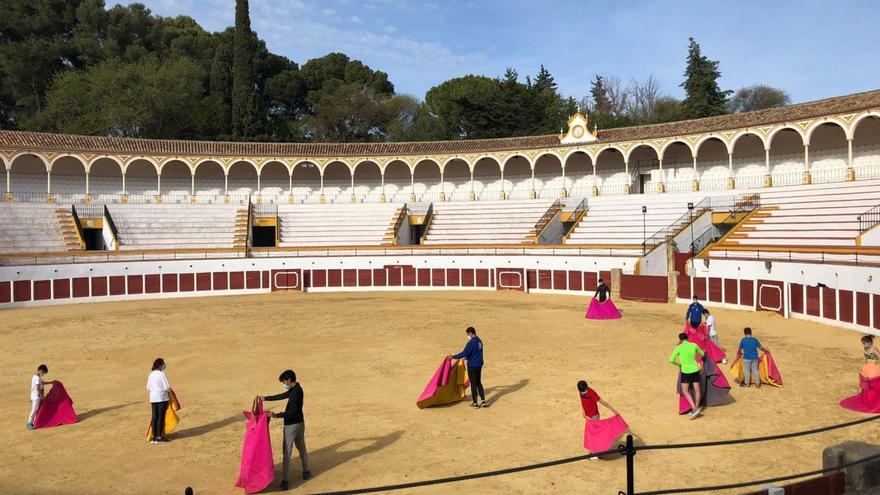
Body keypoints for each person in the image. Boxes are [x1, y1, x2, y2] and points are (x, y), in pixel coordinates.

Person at [259, 370, 311, 490]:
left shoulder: (296, 392)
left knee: (287, 453)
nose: (284, 383)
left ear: (288, 380)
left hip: (291, 426)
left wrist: (276, 415)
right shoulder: (296, 388)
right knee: (301, 447)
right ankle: (306, 471)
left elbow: (292, 412)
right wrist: (266, 398)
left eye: (284, 381)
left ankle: (285, 480)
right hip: (300, 424)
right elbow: (282, 395)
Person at [669, 333, 705, 419]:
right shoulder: (694, 345)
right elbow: (702, 354)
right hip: (695, 370)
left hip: (686, 371)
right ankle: (696, 408)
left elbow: (671, 360)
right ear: (687, 338)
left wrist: (679, 365)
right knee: (697, 390)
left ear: (680, 340)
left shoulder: (678, 348)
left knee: (685, 391)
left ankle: (694, 408)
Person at [451, 327, 486, 408]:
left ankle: (475, 403)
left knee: (473, 384)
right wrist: (466, 357)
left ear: (470, 333)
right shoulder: (479, 341)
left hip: (472, 366)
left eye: (467, 334)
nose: (467, 336)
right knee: (478, 382)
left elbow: (464, 353)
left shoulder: (471, 343)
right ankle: (483, 401)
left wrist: (453, 356)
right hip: (479, 365)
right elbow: (474, 353)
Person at [146, 358, 171, 444]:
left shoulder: (151, 374)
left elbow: (148, 388)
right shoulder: (162, 374)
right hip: (162, 398)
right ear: (160, 365)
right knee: (161, 417)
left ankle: (154, 436)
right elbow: (167, 387)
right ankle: (160, 436)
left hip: (153, 398)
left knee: (155, 417)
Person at [27, 364, 53, 430]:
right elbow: (38, 388)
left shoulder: (35, 377)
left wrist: (50, 382)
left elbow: (42, 383)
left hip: (35, 396)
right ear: (41, 370)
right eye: (43, 373)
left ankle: (35, 422)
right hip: (36, 397)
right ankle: (29, 423)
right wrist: (42, 396)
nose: (43, 374)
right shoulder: (37, 378)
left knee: (36, 410)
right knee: (34, 410)